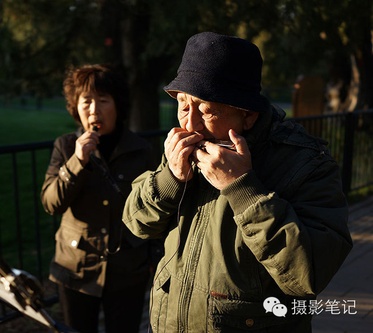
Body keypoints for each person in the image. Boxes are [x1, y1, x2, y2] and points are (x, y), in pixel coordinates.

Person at [122, 32, 353, 332]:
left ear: (248, 115)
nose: (189, 123)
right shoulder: (187, 148)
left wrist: (243, 188)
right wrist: (171, 178)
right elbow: (136, 223)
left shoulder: (308, 164)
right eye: (182, 104)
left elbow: (307, 276)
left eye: (207, 109)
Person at [41, 63, 159, 333]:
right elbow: (50, 203)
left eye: (103, 100)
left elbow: (155, 208)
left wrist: (155, 258)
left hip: (128, 269)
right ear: (75, 106)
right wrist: (77, 162)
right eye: (86, 101)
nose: (93, 110)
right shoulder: (65, 146)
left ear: (118, 105)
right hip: (75, 268)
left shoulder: (140, 150)